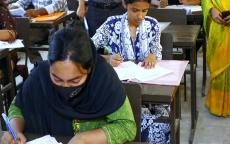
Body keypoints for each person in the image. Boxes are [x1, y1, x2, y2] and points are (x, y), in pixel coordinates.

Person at [1, 27, 136, 144]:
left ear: (89, 70)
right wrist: (15, 131)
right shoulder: (40, 77)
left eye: (75, 81)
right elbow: (17, 107)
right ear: (49, 66)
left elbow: (127, 126)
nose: (65, 86)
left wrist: (84, 139)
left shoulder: (103, 80)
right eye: (57, 78)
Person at [92, 0, 170, 143]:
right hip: (117, 92)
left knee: (162, 122)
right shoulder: (111, 24)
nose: (140, 16)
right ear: (124, 4)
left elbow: (157, 50)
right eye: (135, 10)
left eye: (144, 10)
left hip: (148, 90)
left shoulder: (153, 25)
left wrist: (153, 56)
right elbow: (87, 50)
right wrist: (107, 59)